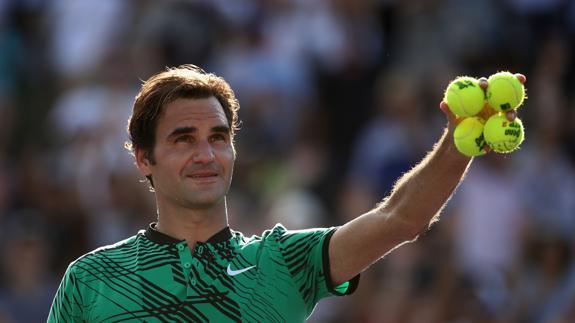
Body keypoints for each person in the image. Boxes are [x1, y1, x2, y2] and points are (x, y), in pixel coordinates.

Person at [47, 65, 523, 322]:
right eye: (182, 139)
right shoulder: (91, 281)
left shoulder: (283, 262)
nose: (206, 155)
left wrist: (461, 142)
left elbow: (401, 218)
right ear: (143, 159)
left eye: (217, 138)